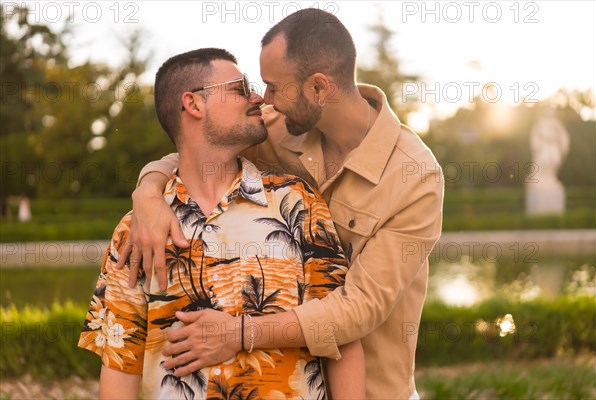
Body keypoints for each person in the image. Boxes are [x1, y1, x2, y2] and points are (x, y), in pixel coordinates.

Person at [123, 9, 444, 399]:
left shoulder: (415, 176)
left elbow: (360, 306)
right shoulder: (276, 128)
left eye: (275, 87)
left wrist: (240, 333)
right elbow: (198, 151)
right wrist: (148, 192)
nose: (264, 99)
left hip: (375, 389)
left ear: (319, 88)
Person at [78, 48, 364, 399]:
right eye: (241, 87)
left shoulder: (298, 204)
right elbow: (121, 363)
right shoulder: (136, 230)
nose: (258, 96)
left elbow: (341, 336)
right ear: (194, 104)